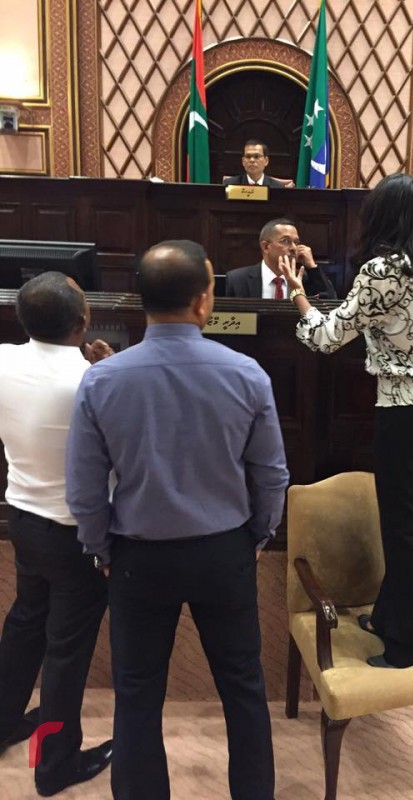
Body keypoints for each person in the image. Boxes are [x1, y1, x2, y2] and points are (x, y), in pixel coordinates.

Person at [65, 240, 289, 800]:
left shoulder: (102, 380)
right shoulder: (247, 375)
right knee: (243, 688)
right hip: (225, 551)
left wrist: (101, 550)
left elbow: (85, 490)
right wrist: (257, 536)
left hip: (138, 558)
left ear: (142, 301)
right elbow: (271, 475)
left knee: (137, 694)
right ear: (204, 300)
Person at [280, 173, 413, 669]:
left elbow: (328, 338)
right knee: (406, 520)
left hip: (406, 411)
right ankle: (390, 615)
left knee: (402, 529)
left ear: (380, 218)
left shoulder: (381, 271)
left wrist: (297, 294)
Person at [0, 272, 112, 796]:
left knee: (25, 622)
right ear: (83, 321)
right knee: (65, 649)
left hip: (20, 516)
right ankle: (54, 765)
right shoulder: (95, 380)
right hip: (74, 535)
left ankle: (2, 724)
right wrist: (106, 366)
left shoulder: (3, 359)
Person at [225, 218, 337, 300]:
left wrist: (312, 267)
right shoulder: (237, 280)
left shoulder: (305, 280)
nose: (294, 248)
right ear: (266, 247)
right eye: (285, 241)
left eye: (296, 242)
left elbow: (331, 307)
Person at [223, 140, 288, 188]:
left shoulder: (277, 187)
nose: (252, 160)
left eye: (256, 156)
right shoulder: (230, 185)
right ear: (243, 161)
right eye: (248, 156)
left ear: (266, 161)